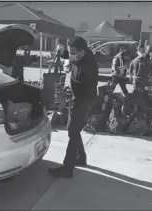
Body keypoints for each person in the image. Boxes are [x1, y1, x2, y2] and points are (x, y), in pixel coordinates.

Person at [48, 37, 99, 178]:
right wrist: (62, 51)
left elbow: (84, 90)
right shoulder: (81, 55)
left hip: (84, 100)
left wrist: (69, 99)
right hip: (80, 98)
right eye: (69, 51)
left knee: (73, 132)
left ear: (81, 52)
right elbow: (69, 56)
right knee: (74, 129)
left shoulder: (88, 67)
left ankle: (67, 168)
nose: (70, 55)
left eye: (72, 52)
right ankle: (81, 157)